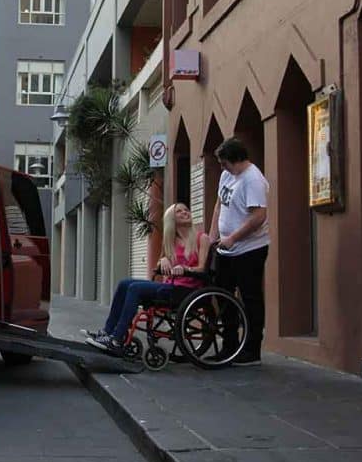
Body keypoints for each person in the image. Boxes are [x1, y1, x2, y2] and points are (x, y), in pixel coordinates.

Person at [85, 203, 211, 356]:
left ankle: (116, 340)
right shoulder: (171, 241)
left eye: (186, 210)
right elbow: (158, 266)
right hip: (170, 286)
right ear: (172, 219)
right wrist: (163, 260)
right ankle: (106, 332)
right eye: (179, 211)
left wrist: (186, 269)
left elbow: (203, 269)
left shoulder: (201, 238)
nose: (185, 212)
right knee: (124, 283)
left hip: (187, 291)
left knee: (135, 288)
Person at [209, 137, 269, 366]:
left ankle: (252, 350)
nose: (222, 168)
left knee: (250, 296)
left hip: (249, 249)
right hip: (225, 249)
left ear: (236, 159)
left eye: (225, 163)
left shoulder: (252, 180)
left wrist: (233, 238)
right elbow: (219, 204)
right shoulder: (228, 175)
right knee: (223, 295)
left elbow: (258, 216)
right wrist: (213, 235)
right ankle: (229, 345)